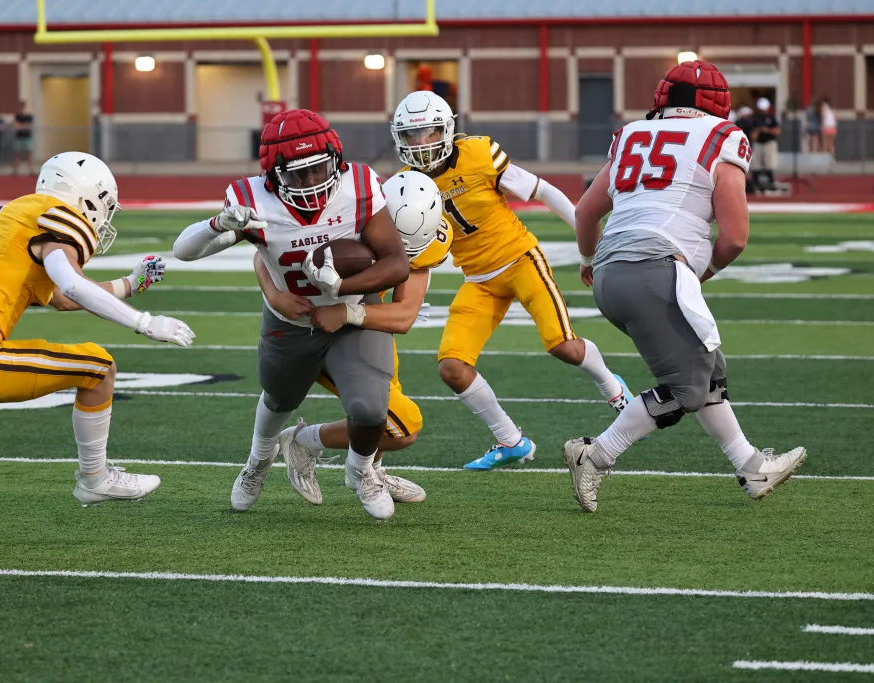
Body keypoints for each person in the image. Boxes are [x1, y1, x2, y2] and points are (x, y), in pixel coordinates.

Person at [0, 152, 196, 548]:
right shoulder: (59, 216)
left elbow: (62, 296)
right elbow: (72, 284)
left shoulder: (13, 213)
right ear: (87, 196)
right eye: (105, 205)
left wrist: (131, 283)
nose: (104, 217)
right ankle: (95, 478)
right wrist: (145, 322)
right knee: (99, 367)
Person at [562, 60, 806, 513]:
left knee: (706, 367)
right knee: (685, 391)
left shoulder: (632, 133)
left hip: (612, 272)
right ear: (719, 103)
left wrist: (588, 260)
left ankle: (751, 466)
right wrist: (704, 271)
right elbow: (735, 237)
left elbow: (585, 212)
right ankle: (594, 455)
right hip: (655, 268)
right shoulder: (722, 136)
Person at [173, 109, 410, 521]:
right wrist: (218, 224)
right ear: (272, 174)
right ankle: (258, 462)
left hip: (352, 313)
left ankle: (361, 473)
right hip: (290, 321)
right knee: (279, 398)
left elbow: (396, 263)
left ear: (335, 160)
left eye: (319, 169)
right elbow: (184, 252)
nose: (312, 181)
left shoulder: (358, 187)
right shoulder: (252, 201)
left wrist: (342, 292)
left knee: (371, 409)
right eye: (298, 174)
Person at [390, 90, 635, 471]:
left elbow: (544, 191)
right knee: (452, 367)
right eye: (411, 135)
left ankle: (614, 389)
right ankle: (511, 440)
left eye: (429, 132)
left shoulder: (479, 153)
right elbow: (410, 248)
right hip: (478, 280)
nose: (421, 143)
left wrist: (589, 245)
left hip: (520, 260)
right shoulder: (405, 184)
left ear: (447, 129)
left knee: (564, 346)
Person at [255, 171, 451, 506]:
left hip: (363, 320)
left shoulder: (428, 235)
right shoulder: (348, 219)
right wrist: (275, 296)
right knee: (404, 427)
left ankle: (370, 470)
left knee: (385, 400)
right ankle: (303, 441)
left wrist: (348, 313)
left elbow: (404, 315)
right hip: (318, 331)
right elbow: (263, 252)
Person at [751, 97, 781, 192]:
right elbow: (753, 134)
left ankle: (771, 182)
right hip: (759, 143)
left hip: (769, 142)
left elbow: (777, 131)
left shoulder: (771, 118)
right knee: (755, 163)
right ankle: (756, 183)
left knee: (770, 163)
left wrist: (766, 130)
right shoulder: (755, 118)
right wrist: (756, 132)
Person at [13, 101, 34, 175]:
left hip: (27, 137)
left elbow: (29, 126)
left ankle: (30, 169)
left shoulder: (29, 116)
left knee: (29, 153)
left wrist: (22, 126)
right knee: (17, 153)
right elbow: (16, 126)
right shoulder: (17, 116)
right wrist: (24, 126)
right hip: (19, 137)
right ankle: (17, 169)